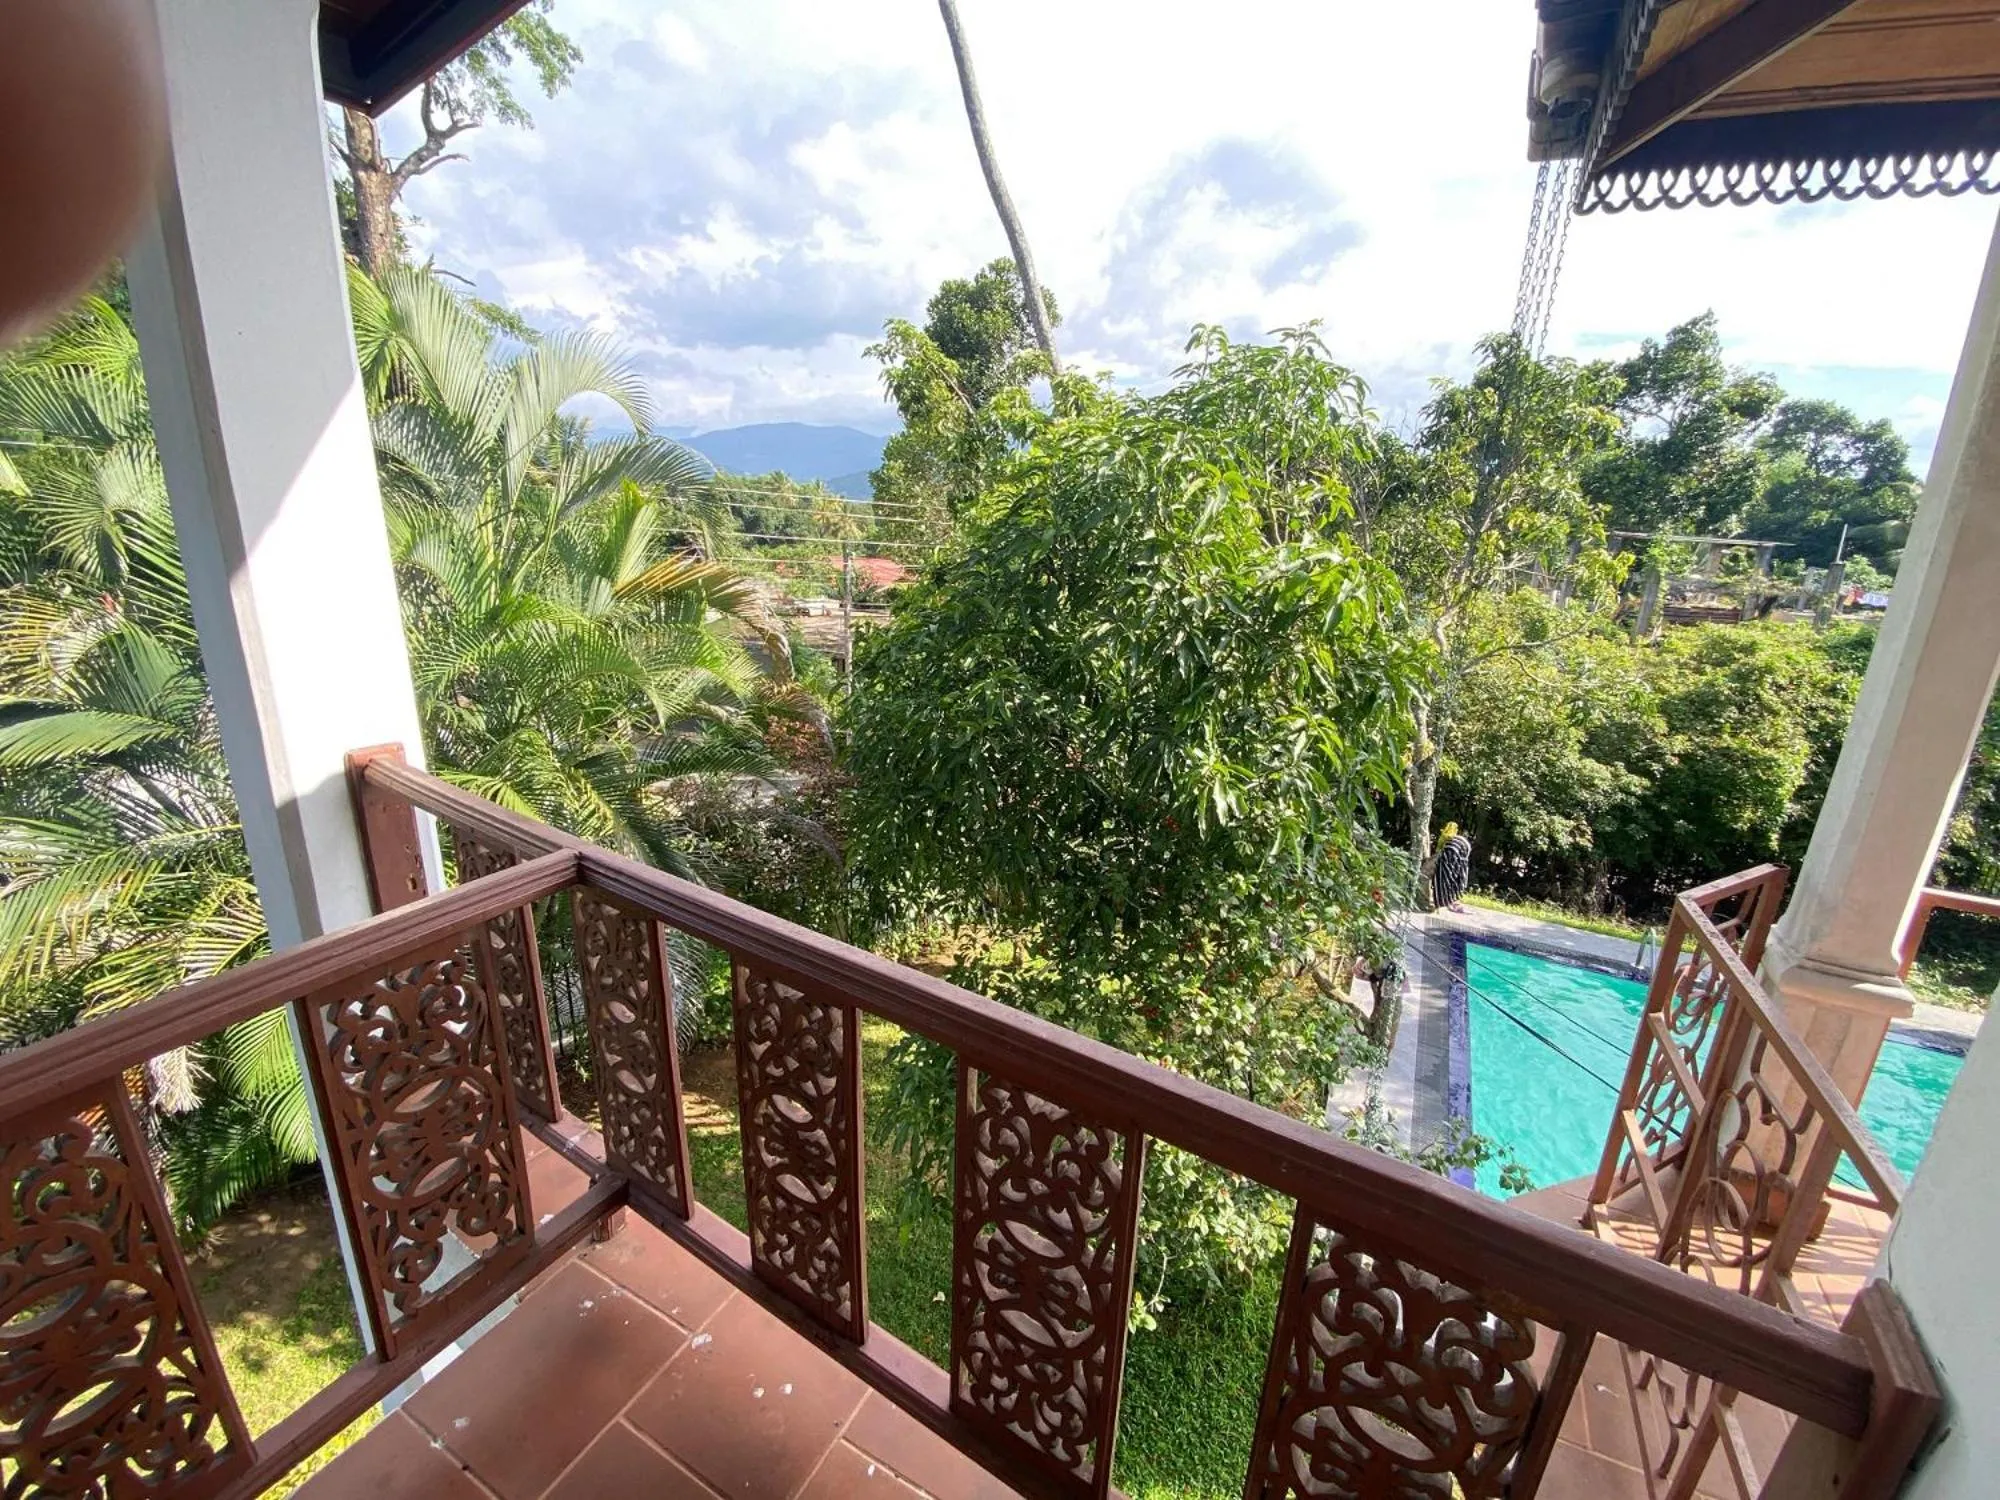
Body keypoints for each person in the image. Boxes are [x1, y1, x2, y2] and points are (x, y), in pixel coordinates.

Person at [1432, 821, 1471, 913]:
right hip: (1457, 859)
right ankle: (1450, 902)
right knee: (1453, 880)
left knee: (1444, 879)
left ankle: (1445, 901)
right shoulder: (1458, 841)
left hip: (1448, 859)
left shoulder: (1446, 837)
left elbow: (1439, 849)